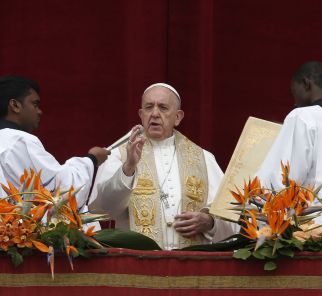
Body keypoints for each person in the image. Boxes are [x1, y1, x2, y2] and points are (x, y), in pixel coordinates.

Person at [89, 83, 234, 249]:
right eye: (149, 107)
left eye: (163, 108)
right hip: (138, 265)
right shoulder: (118, 156)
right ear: (141, 115)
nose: (155, 114)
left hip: (191, 266)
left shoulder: (204, 159)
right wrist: (128, 168)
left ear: (178, 117)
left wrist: (210, 222)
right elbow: (104, 209)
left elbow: (231, 218)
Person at [256, 61, 322, 221]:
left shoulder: (303, 117)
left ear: (306, 84)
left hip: (308, 238)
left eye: (293, 92)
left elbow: (279, 183)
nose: (294, 102)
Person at [0, 75, 110, 213]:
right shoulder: (19, 141)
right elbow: (62, 192)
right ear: (15, 105)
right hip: (25, 232)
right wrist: (92, 159)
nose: (40, 111)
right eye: (35, 104)